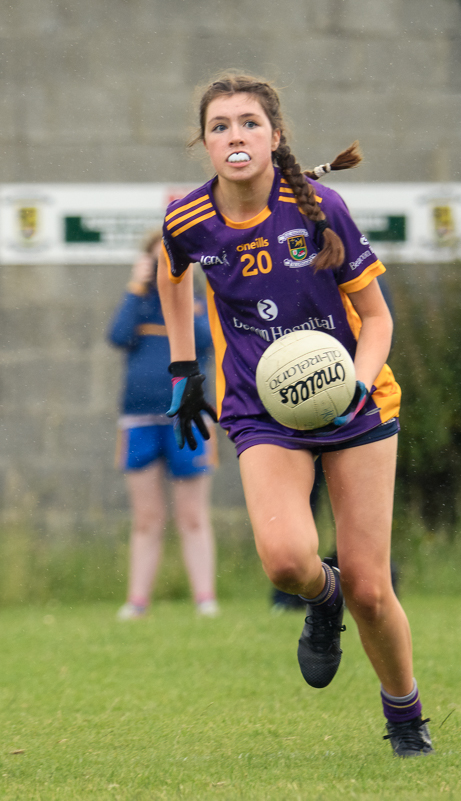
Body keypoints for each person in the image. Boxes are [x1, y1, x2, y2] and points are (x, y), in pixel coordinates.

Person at [156, 73, 433, 758]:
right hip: (261, 408)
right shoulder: (189, 219)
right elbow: (171, 273)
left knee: (373, 586)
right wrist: (185, 369)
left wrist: (358, 386)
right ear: (205, 144)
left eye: (248, 122)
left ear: (275, 137)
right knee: (286, 560)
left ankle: (405, 718)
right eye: (219, 126)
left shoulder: (319, 209)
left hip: (355, 399)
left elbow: (376, 320)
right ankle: (320, 595)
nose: (234, 136)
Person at [108, 230, 219, 619]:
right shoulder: (137, 303)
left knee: (191, 515)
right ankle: (137, 601)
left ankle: (205, 599)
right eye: (157, 263)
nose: (162, 271)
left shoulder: (197, 302)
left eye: (169, 263)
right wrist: (137, 286)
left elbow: (206, 342)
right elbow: (117, 336)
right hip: (139, 417)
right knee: (147, 517)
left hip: (186, 417)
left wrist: (183, 294)